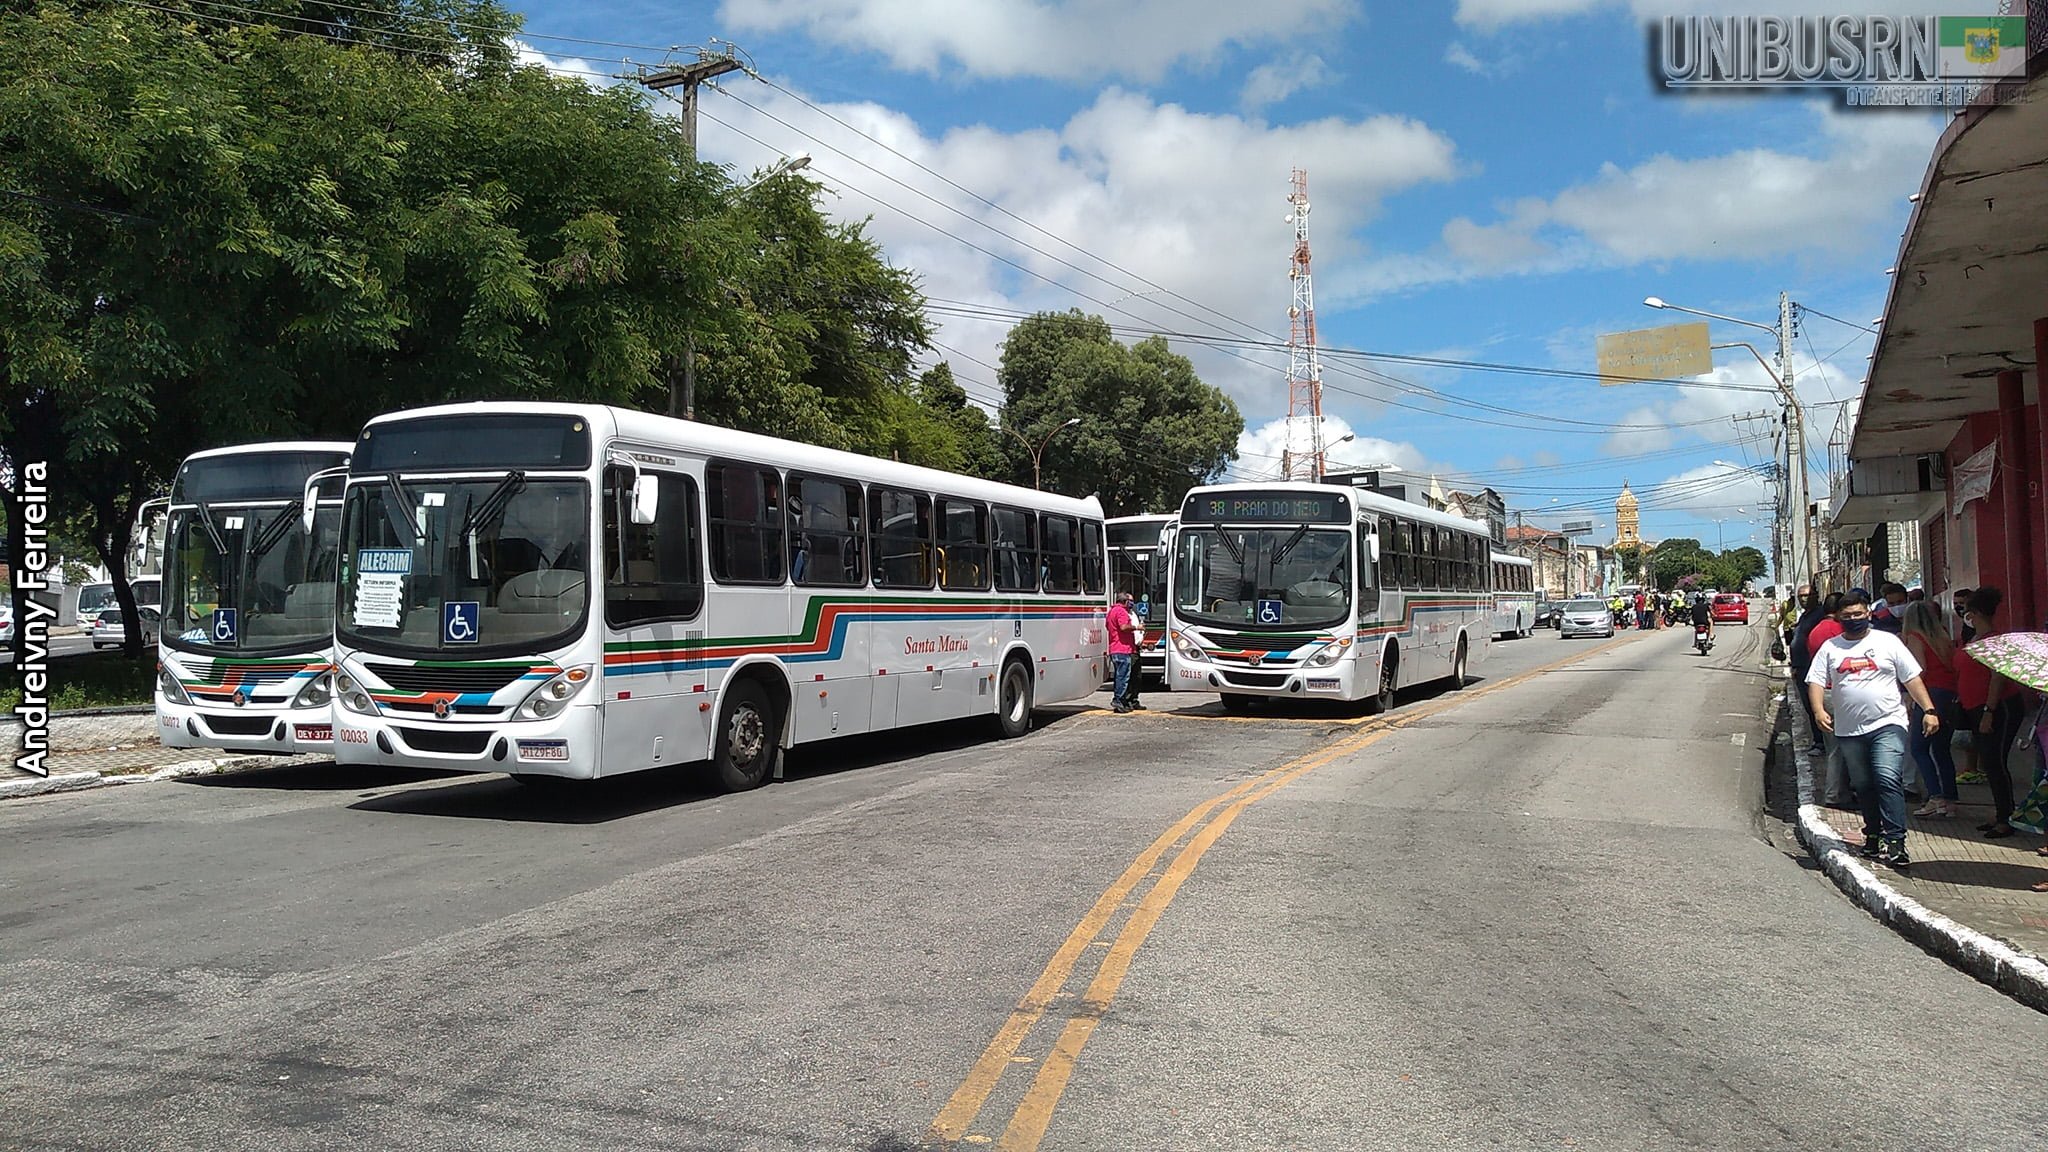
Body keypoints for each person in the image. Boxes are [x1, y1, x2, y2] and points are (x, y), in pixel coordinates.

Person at [1805, 589, 1941, 868]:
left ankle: (1896, 841)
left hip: (1888, 723)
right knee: (1864, 785)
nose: (1853, 619)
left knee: (1887, 778)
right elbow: (1816, 681)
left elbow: (1912, 678)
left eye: (1858, 614)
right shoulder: (1831, 648)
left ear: (1868, 613)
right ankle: (1873, 833)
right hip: (1848, 729)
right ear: (1839, 618)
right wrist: (1818, 710)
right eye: (1847, 616)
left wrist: (1929, 710)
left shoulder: (1888, 642)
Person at [1957, 585, 2022, 838]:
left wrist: (1989, 711)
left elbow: (1998, 678)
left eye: (1967, 611)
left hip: (1996, 707)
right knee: (1989, 761)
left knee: (1995, 762)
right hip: (1975, 707)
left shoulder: (1994, 641)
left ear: (1975, 613)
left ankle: (2005, 818)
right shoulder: (1972, 638)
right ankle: (2000, 813)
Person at [1899, 600, 1961, 818]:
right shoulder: (1942, 637)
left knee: (1918, 747)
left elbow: (1919, 670)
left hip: (1931, 695)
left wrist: (1912, 696)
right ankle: (1950, 799)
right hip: (1948, 693)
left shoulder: (1914, 638)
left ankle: (1935, 796)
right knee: (1941, 749)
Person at [1105, 590, 1142, 714]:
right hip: (1123, 649)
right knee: (1123, 677)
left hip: (1114, 648)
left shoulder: (1111, 612)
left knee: (1119, 677)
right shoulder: (1121, 611)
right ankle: (1118, 700)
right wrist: (1137, 627)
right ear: (1125, 601)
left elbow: (1108, 627)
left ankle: (1119, 700)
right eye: (1129, 601)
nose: (1131, 603)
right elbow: (1123, 627)